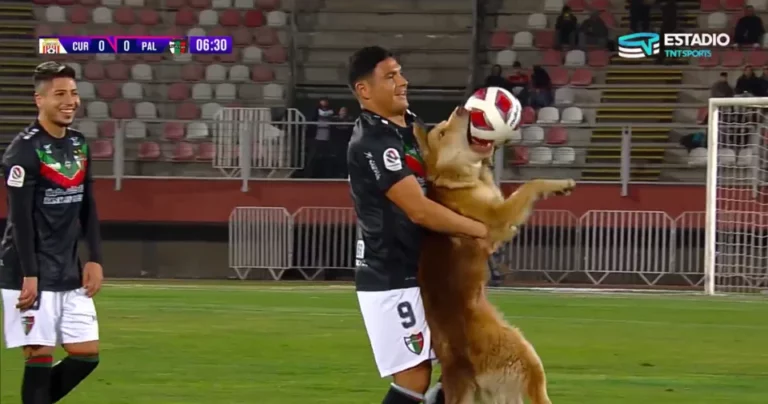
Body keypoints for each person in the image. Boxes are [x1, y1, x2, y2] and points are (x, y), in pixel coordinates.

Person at [346, 46, 493, 404]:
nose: (402, 81)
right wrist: (480, 230)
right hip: (393, 277)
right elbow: (419, 210)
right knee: (414, 376)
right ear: (364, 90)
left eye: (400, 73)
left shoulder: (409, 128)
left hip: (427, 272)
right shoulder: (373, 142)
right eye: (390, 76)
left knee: (465, 362)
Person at [0, 61, 104, 404]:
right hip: (27, 269)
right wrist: (30, 274)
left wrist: (94, 259)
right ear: (39, 100)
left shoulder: (78, 144)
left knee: (87, 354)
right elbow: (21, 219)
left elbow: (87, 203)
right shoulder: (23, 151)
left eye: (73, 93)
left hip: (68, 268)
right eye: (60, 94)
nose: (70, 101)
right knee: (39, 356)